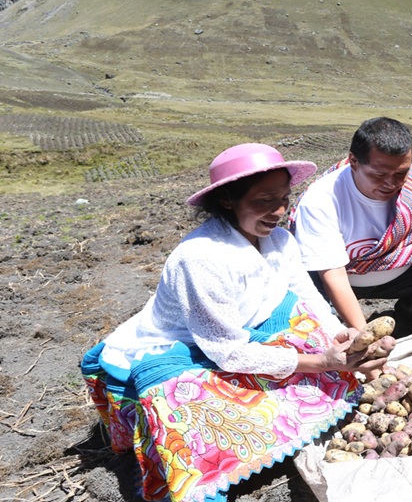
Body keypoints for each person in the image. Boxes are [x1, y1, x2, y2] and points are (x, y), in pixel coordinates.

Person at [81, 143, 388, 502]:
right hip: (184, 350)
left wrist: (342, 334)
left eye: (284, 199)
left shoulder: (280, 240)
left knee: (311, 332)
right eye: (264, 200)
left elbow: (306, 296)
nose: (279, 211)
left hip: (244, 332)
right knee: (193, 414)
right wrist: (321, 362)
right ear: (227, 200)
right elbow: (227, 353)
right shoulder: (199, 259)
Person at [289, 117, 412, 338]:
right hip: (337, 280)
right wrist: (365, 338)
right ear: (354, 161)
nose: (391, 183)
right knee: (310, 318)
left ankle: (405, 332)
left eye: (401, 173)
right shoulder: (322, 199)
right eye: (379, 175)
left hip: (399, 275)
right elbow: (334, 277)